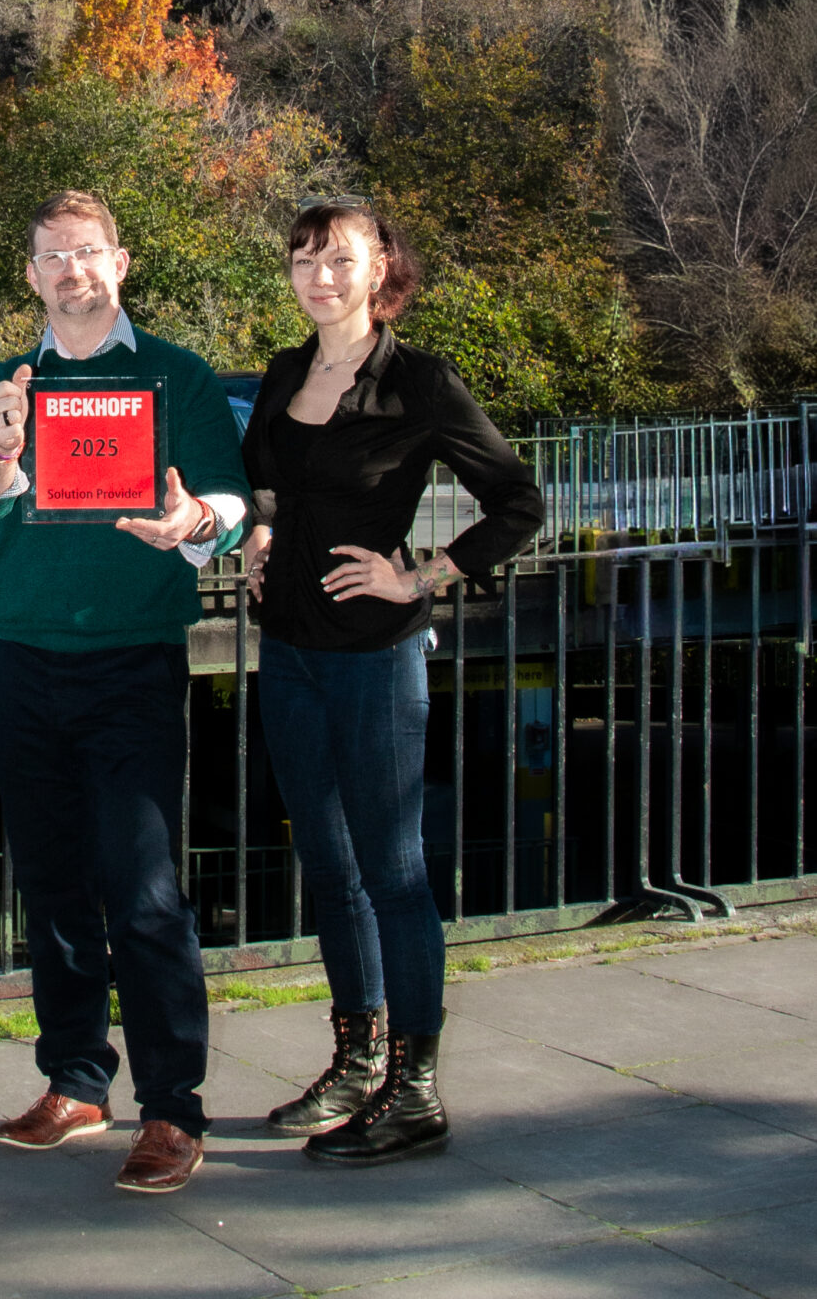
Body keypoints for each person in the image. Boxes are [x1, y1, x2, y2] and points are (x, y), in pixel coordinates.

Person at [0, 189, 246, 1196]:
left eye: (88, 251)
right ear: (31, 275)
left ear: (121, 261)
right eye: (52, 256)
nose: (72, 270)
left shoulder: (179, 377)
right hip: (24, 660)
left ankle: (173, 1108)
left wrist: (199, 517)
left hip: (133, 664)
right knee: (53, 882)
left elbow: (233, 505)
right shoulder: (6, 384)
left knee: (147, 893)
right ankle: (75, 1081)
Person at [241, 200, 544, 1165]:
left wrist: (420, 575)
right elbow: (272, 483)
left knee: (393, 873)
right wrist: (258, 536)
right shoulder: (287, 372)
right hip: (287, 647)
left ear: (379, 271)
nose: (317, 275)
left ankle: (415, 1092)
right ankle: (355, 1064)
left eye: (338, 260)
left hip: (375, 658)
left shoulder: (420, 381)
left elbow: (518, 501)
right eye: (302, 260)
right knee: (328, 870)